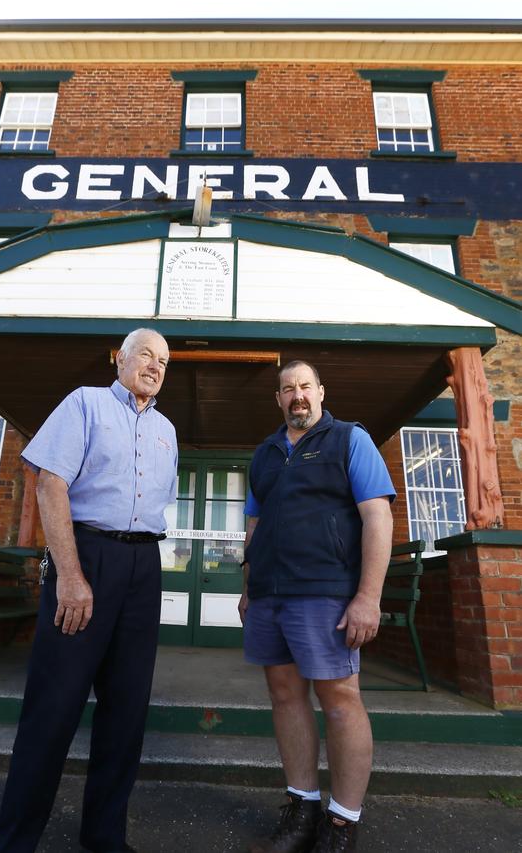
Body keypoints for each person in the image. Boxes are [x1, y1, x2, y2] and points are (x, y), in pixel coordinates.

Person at [0, 328, 177, 853]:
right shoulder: (86, 403)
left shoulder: (167, 429)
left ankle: (104, 838)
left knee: (126, 713)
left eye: (163, 360)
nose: (155, 365)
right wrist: (70, 575)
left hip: (144, 565)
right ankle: (14, 843)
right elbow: (50, 483)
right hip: (87, 555)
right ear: (120, 358)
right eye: (146, 354)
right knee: (54, 708)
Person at [239, 360, 395, 853]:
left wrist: (368, 596)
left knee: (340, 699)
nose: (297, 395)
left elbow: (377, 518)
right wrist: (248, 588)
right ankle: (302, 810)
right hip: (270, 595)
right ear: (278, 399)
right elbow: (254, 528)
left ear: (321, 392)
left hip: (326, 592)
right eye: (288, 389)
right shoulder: (264, 453)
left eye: (305, 386)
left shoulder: (350, 439)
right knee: (285, 696)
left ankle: (343, 823)